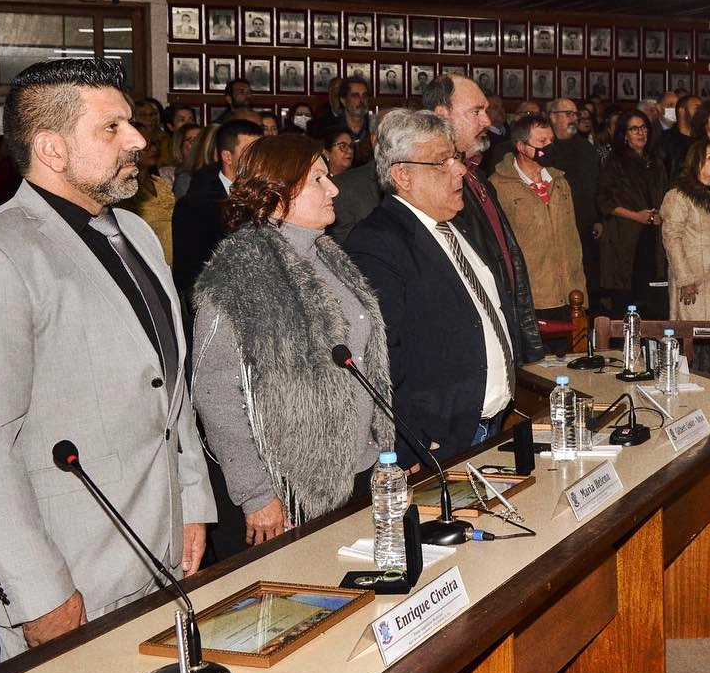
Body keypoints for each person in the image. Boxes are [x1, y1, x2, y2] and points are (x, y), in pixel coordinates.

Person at [0, 59, 214, 658]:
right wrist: (39, 595)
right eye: (111, 128)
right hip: (76, 577)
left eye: (132, 124)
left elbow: (172, 389)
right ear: (52, 149)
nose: (138, 139)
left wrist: (192, 500)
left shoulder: (135, 235)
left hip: (165, 552)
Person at [191, 135, 393, 553]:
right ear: (278, 194)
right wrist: (256, 494)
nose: (333, 188)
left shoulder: (328, 255)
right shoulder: (238, 276)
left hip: (360, 469)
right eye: (319, 179)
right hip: (291, 487)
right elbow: (215, 396)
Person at [344, 111, 519, 463]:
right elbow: (381, 354)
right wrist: (415, 438)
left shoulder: (455, 225)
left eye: (455, 157)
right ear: (403, 175)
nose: (460, 170)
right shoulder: (376, 243)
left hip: (490, 425)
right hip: (441, 440)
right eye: (442, 161)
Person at [423, 75, 546, 363]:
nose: (487, 121)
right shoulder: (431, 187)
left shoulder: (477, 177)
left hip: (502, 327)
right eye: (475, 112)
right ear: (442, 116)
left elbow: (506, 257)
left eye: (486, 111)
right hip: (470, 345)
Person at [489, 114, 586, 317]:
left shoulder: (560, 181)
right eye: (542, 142)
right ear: (522, 147)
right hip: (532, 296)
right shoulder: (499, 186)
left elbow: (573, 239)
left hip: (571, 293)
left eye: (551, 141)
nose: (549, 147)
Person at [172, 118, 264, 299]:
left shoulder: (269, 196)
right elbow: (189, 274)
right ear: (227, 157)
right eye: (250, 152)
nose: (258, 159)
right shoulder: (194, 205)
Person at [661, 141, 710, 323]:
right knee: (694, 336)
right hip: (694, 281)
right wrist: (685, 279)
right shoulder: (678, 196)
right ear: (696, 162)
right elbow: (672, 239)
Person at [597, 110, 669, 317]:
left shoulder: (656, 162)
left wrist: (659, 215)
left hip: (653, 235)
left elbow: (666, 195)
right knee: (626, 298)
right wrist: (636, 216)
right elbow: (604, 201)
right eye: (634, 129)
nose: (641, 133)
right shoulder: (614, 161)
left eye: (644, 128)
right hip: (624, 235)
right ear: (625, 134)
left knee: (652, 298)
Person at [545, 98, 601, 301]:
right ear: (552, 117)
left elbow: (596, 186)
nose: (573, 119)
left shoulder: (586, 149)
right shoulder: (545, 147)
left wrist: (598, 218)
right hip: (553, 228)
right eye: (568, 114)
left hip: (583, 227)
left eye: (575, 114)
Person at [116, 132, 176, 263]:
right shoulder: (125, 190)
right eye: (146, 146)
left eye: (154, 145)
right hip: (146, 256)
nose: (153, 150)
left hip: (174, 256)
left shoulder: (159, 182)